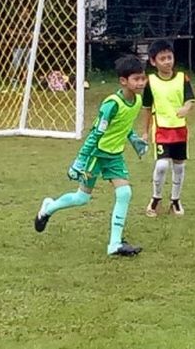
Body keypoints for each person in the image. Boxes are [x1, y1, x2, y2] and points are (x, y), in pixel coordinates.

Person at [33, 56, 149, 256]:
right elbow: (96, 133)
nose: (141, 83)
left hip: (114, 156)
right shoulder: (111, 104)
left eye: (143, 78)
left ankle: (115, 244)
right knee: (82, 198)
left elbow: (124, 125)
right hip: (96, 155)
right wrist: (80, 160)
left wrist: (134, 140)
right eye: (136, 79)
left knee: (125, 193)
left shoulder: (137, 101)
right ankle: (48, 208)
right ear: (123, 81)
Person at [141, 40, 195, 217]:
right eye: (162, 58)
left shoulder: (182, 78)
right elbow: (147, 108)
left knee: (179, 166)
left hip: (180, 129)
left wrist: (186, 108)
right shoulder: (151, 82)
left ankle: (175, 200)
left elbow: (190, 99)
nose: (167, 61)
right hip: (161, 130)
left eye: (169, 57)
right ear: (153, 61)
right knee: (162, 165)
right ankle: (155, 198)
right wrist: (145, 131)